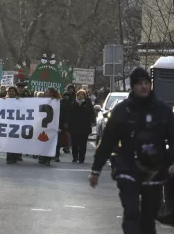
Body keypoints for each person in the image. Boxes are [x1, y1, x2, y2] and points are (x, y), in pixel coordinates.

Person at [89, 67, 174, 234]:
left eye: (146, 83)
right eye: (139, 83)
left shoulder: (162, 111)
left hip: (155, 169)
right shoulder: (122, 110)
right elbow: (107, 141)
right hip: (127, 166)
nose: (143, 87)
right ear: (132, 87)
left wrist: (171, 161)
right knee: (132, 212)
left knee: (149, 217)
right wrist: (96, 170)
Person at [69, 89, 95, 163]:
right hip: (74, 127)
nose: (80, 96)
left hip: (84, 127)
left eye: (82, 94)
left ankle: (81, 158)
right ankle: (75, 157)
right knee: (74, 144)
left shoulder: (87, 103)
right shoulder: (73, 103)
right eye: (79, 94)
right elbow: (70, 114)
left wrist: (93, 122)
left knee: (82, 144)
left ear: (84, 96)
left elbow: (91, 113)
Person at [38, 88, 62, 166]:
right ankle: (42, 158)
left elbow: (60, 115)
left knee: (49, 142)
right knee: (42, 141)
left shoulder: (57, 102)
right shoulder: (42, 101)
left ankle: (48, 159)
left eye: (47, 92)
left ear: (51, 93)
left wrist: (59, 126)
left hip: (52, 125)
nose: (45, 93)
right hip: (42, 124)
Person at [6, 86, 20, 164]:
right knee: (9, 142)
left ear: (15, 93)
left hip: (17, 124)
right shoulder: (4, 100)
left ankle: (14, 158)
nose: (11, 92)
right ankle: (8, 158)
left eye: (13, 91)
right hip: (8, 124)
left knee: (15, 142)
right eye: (10, 91)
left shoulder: (20, 101)